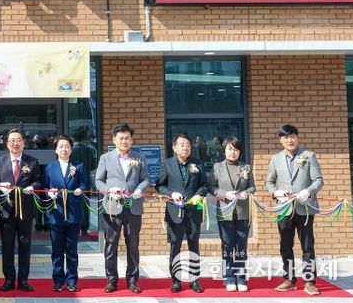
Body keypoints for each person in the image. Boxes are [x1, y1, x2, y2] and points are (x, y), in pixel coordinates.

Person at [265, 124, 324, 296]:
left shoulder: (308, 156)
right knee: (285, 245)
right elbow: (269, 182)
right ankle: (289, 279)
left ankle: (309, 281)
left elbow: (318, 180)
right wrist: (275, 192)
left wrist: (308, 192)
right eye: (286, 137)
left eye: (292, 136)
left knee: (307, 246)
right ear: (281, 140)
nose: (289, 140)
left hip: (304, 208)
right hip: (284, 208)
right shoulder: (275, 159)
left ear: (297, 138)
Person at [94, 124, 149, 294]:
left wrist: (139, 189)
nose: (124, 141)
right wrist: (109, 190)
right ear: (114, 140)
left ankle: (132, 280)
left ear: (131, 140)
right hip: (112, 207)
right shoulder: (105, 158)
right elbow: (98, 180)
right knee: (111, 245)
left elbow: (145, 179)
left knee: (133, 245)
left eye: (127, 138)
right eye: (121, 138)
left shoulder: (139, 158)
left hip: (133, 207)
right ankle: (111, 280)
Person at [156, 133, 209, 294]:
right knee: (175, 246)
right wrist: (171, 194)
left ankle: (194, 280)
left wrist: (199, 195)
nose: (185, 148)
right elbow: (160, 185)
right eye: (182, 145)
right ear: (174, 147)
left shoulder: (197, 163)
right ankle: (176, 281)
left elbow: (204, 185)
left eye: (188, 145)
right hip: (175, 211)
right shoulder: (167, 164)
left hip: (194, 211)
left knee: (194, 245)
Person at [0, 129, 41, 292]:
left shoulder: (32, 161)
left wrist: (32, 187)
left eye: (19, 140)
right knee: (7, 246)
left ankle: (23, 280)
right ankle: (8, 279)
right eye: (12, 140)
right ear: (7, 144)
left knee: (25, 245)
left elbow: (38, 181)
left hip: (25, 210)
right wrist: (0, 185)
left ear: (24, 143)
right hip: (6, 210)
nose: (16, 143)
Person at [42, 135, 87, 292]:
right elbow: (44, 186)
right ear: (56, 149)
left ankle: (72, 280)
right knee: (57, 250)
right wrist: (49, 193)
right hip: (56, 212)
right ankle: (58, 280)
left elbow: (84, 184)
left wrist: (80, 189)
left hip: (74, 213)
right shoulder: (50, 167)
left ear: (71, 149)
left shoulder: (78, 166)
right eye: (61, 146)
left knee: (72, 250)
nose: (64, 149)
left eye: (67, 146)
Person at [211, 136, 256, 292]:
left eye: (236, 149)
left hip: (242, 212)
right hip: (225, 211)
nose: (233, 152)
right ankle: (229, 278)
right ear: (224, 150)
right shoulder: (217, 167)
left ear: (240, 151)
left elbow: (252, 187)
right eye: (230, 149)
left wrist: (245, 193)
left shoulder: (246, 167)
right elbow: (212, 187)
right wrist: (224, 194)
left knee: (241, 246)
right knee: (227, 245)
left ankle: (241, 278)